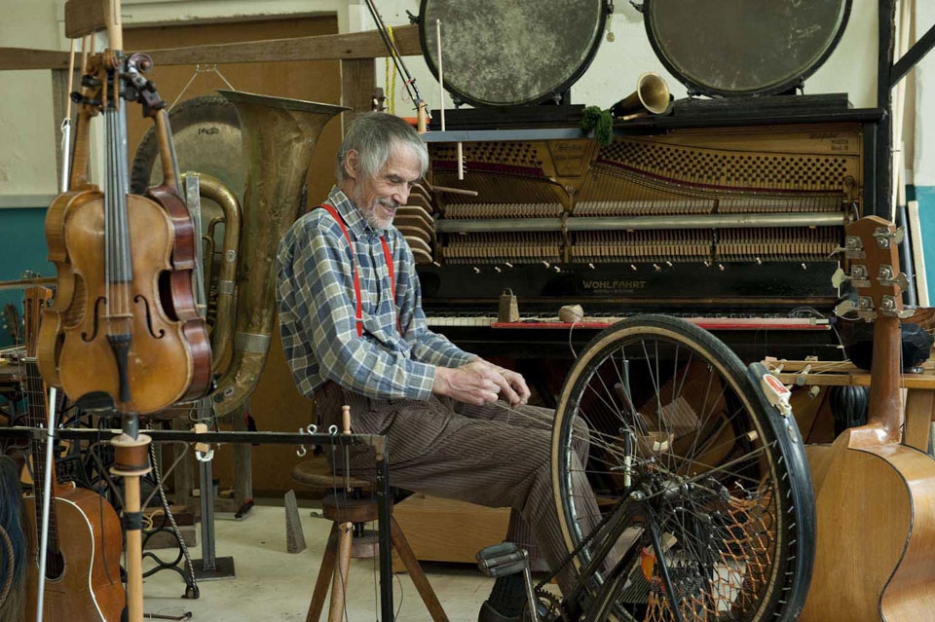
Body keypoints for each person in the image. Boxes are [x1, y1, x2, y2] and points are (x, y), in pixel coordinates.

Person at [277, 112, 600, 622]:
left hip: (410, 403)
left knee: (571, 431)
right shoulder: (321, 236)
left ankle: (512, 603)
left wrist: (476, 365)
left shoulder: (392, 242)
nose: (403, 197)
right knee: (545, 458)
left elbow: (415, 335)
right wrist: (448, 380)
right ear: (353, 163)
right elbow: (345, 357)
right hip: (358, 425)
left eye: (409, 185)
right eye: (393, 180)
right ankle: (601, 603)